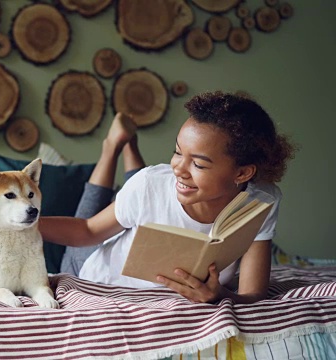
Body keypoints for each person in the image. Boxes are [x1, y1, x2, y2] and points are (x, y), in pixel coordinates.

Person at [41, 91, 297, 304]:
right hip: (94, 268)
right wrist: (20, 223)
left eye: (198, 164)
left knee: (149, 187)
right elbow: (87, 231)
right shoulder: (150, 183)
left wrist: (219, 296)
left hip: (145, 193)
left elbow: (253, 296)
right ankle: (113, 147)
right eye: (176, 152)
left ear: (242, 173)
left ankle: (130, 145)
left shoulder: (261, 202)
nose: (178, 168)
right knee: (123, 194)